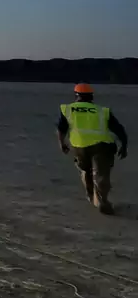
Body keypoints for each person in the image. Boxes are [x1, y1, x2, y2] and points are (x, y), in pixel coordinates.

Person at [57, 83, 128, 215]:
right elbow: (119, 129)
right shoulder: (102, 111)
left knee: (86, 171)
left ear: (76, 95)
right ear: (92, 97)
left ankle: (92, 197)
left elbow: (61, 129)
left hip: (79, 146)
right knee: (101, 175)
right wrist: (124, 145)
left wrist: (62, 144)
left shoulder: (68, 109)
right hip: (102, 146)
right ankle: (103, 201)